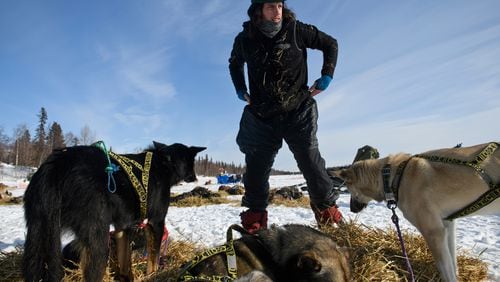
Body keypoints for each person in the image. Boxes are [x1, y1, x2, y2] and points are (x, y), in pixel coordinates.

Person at [229, 0, 342, 233]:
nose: (277, 12)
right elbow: (234, 64)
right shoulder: (245, 39)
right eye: (271, 7)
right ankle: (255, 226)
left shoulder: (296, 30)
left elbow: (330, 44)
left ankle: (328, 218)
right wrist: (240, 89)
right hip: (262, 116)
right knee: (256, 171)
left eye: (280, 5)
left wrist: (327, 75)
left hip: (297, 111)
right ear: (259, 10)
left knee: (311, 164)